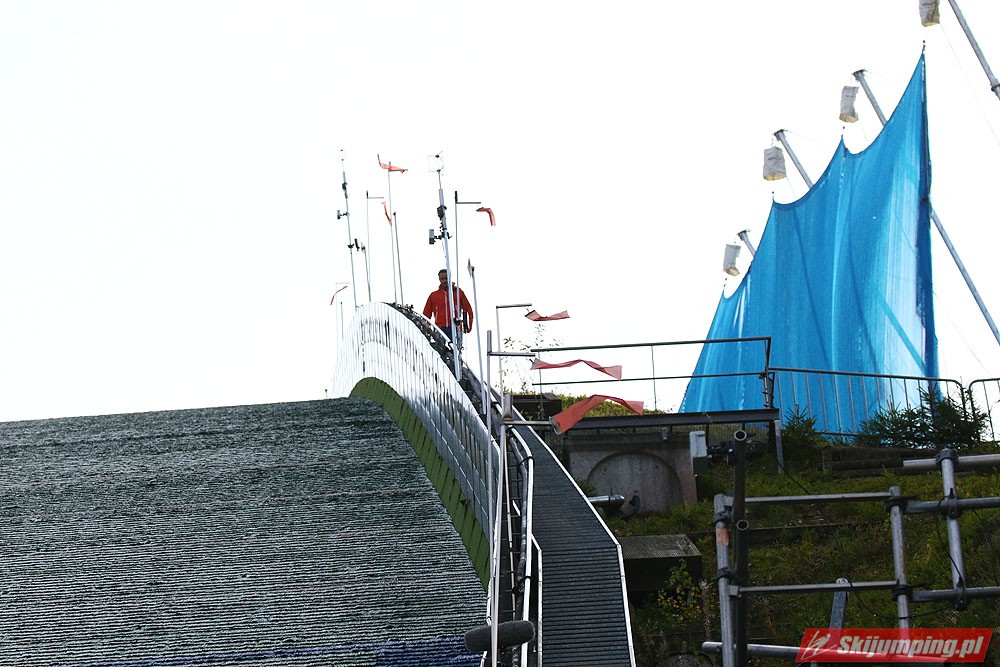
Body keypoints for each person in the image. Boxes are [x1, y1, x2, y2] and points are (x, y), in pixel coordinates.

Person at [423, 268, 473, 345]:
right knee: (440, 350)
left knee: (456, 350)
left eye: (446, 278)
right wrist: (426, 328)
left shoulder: (458, 292)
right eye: (442, 279)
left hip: (456, 327)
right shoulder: (434, 295)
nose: (444, 281)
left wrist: (469, 325)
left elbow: (468, 309)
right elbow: (426, 314)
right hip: (440, 328)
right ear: (439, 279)